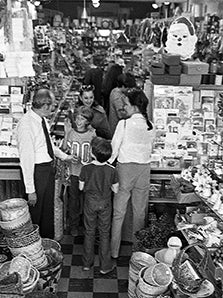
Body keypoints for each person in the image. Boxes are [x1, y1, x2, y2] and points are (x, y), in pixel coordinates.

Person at [17, 89, 75, 239]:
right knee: (35, 214)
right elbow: (26, 159)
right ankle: (33, 249)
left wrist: (64, 156)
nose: (53, 109)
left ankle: (46, 244)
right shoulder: (26, 125)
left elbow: (47, 144)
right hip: (37, 173)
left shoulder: (41, 119)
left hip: (46, 171)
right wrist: (30, 190)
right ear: (45, 106)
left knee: (46, 211)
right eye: (52, 106)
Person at [109, 88, 155, 259]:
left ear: (135, 106)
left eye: (126, 104)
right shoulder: (150, 126)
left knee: (118, 211)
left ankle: (114, 250)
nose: (124, 107)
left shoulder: (124, 124)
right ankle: (138, 251)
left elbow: (114, 149)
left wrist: (106, 164)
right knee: (140, 212)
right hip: (144, 169)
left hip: (125, 169)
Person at [79, 137, 119, 274]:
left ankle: (86, 264)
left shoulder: (86, 168)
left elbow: (80, 187)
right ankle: (105, 266)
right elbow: (116, 190)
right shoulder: (112, 170)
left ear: (92, 154)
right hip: (105, 203)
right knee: (104, 233)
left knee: (89, 231)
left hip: (90, 203)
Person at [63, 106, 96, 236]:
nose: (78, 121)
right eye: (77, 118)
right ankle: (74, 225)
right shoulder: (71, 133)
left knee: (88, 200)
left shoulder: (92, 134)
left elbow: (95, 152)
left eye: (82, 119)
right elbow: (65, 148)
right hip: (74, 173)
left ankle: (88, 225)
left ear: (88, 121)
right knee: (74, 200)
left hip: (87, 173)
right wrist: (66, 133)